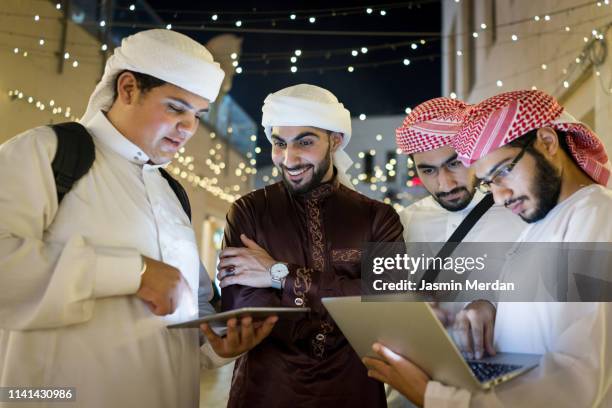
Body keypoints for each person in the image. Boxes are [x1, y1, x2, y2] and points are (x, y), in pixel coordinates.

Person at [0, 29, 274, 408]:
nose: (189, 128)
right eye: (176, 108)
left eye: (197, 115)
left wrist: (219, 345)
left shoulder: (171, 192)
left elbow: (183, 319)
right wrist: (135, 273)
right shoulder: (47, 153)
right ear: (127, 88)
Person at [364, 90, 612, 407]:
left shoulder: (596, 216)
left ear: (549, 143)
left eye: (503, 171)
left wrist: (432, 396)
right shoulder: (542, 223)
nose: (498, 197)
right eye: (488, 182)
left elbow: (574, 383)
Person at [217, 84, 404, 407]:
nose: (289, 158)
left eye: (305, 141)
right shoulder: (248, 212)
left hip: (353, 391)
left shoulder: (377, 217)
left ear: (335, 140)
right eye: (279, 143)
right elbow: (247, 311)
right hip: (266, 391)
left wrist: (279, 275)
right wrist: (348, 292)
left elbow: (388, 304)